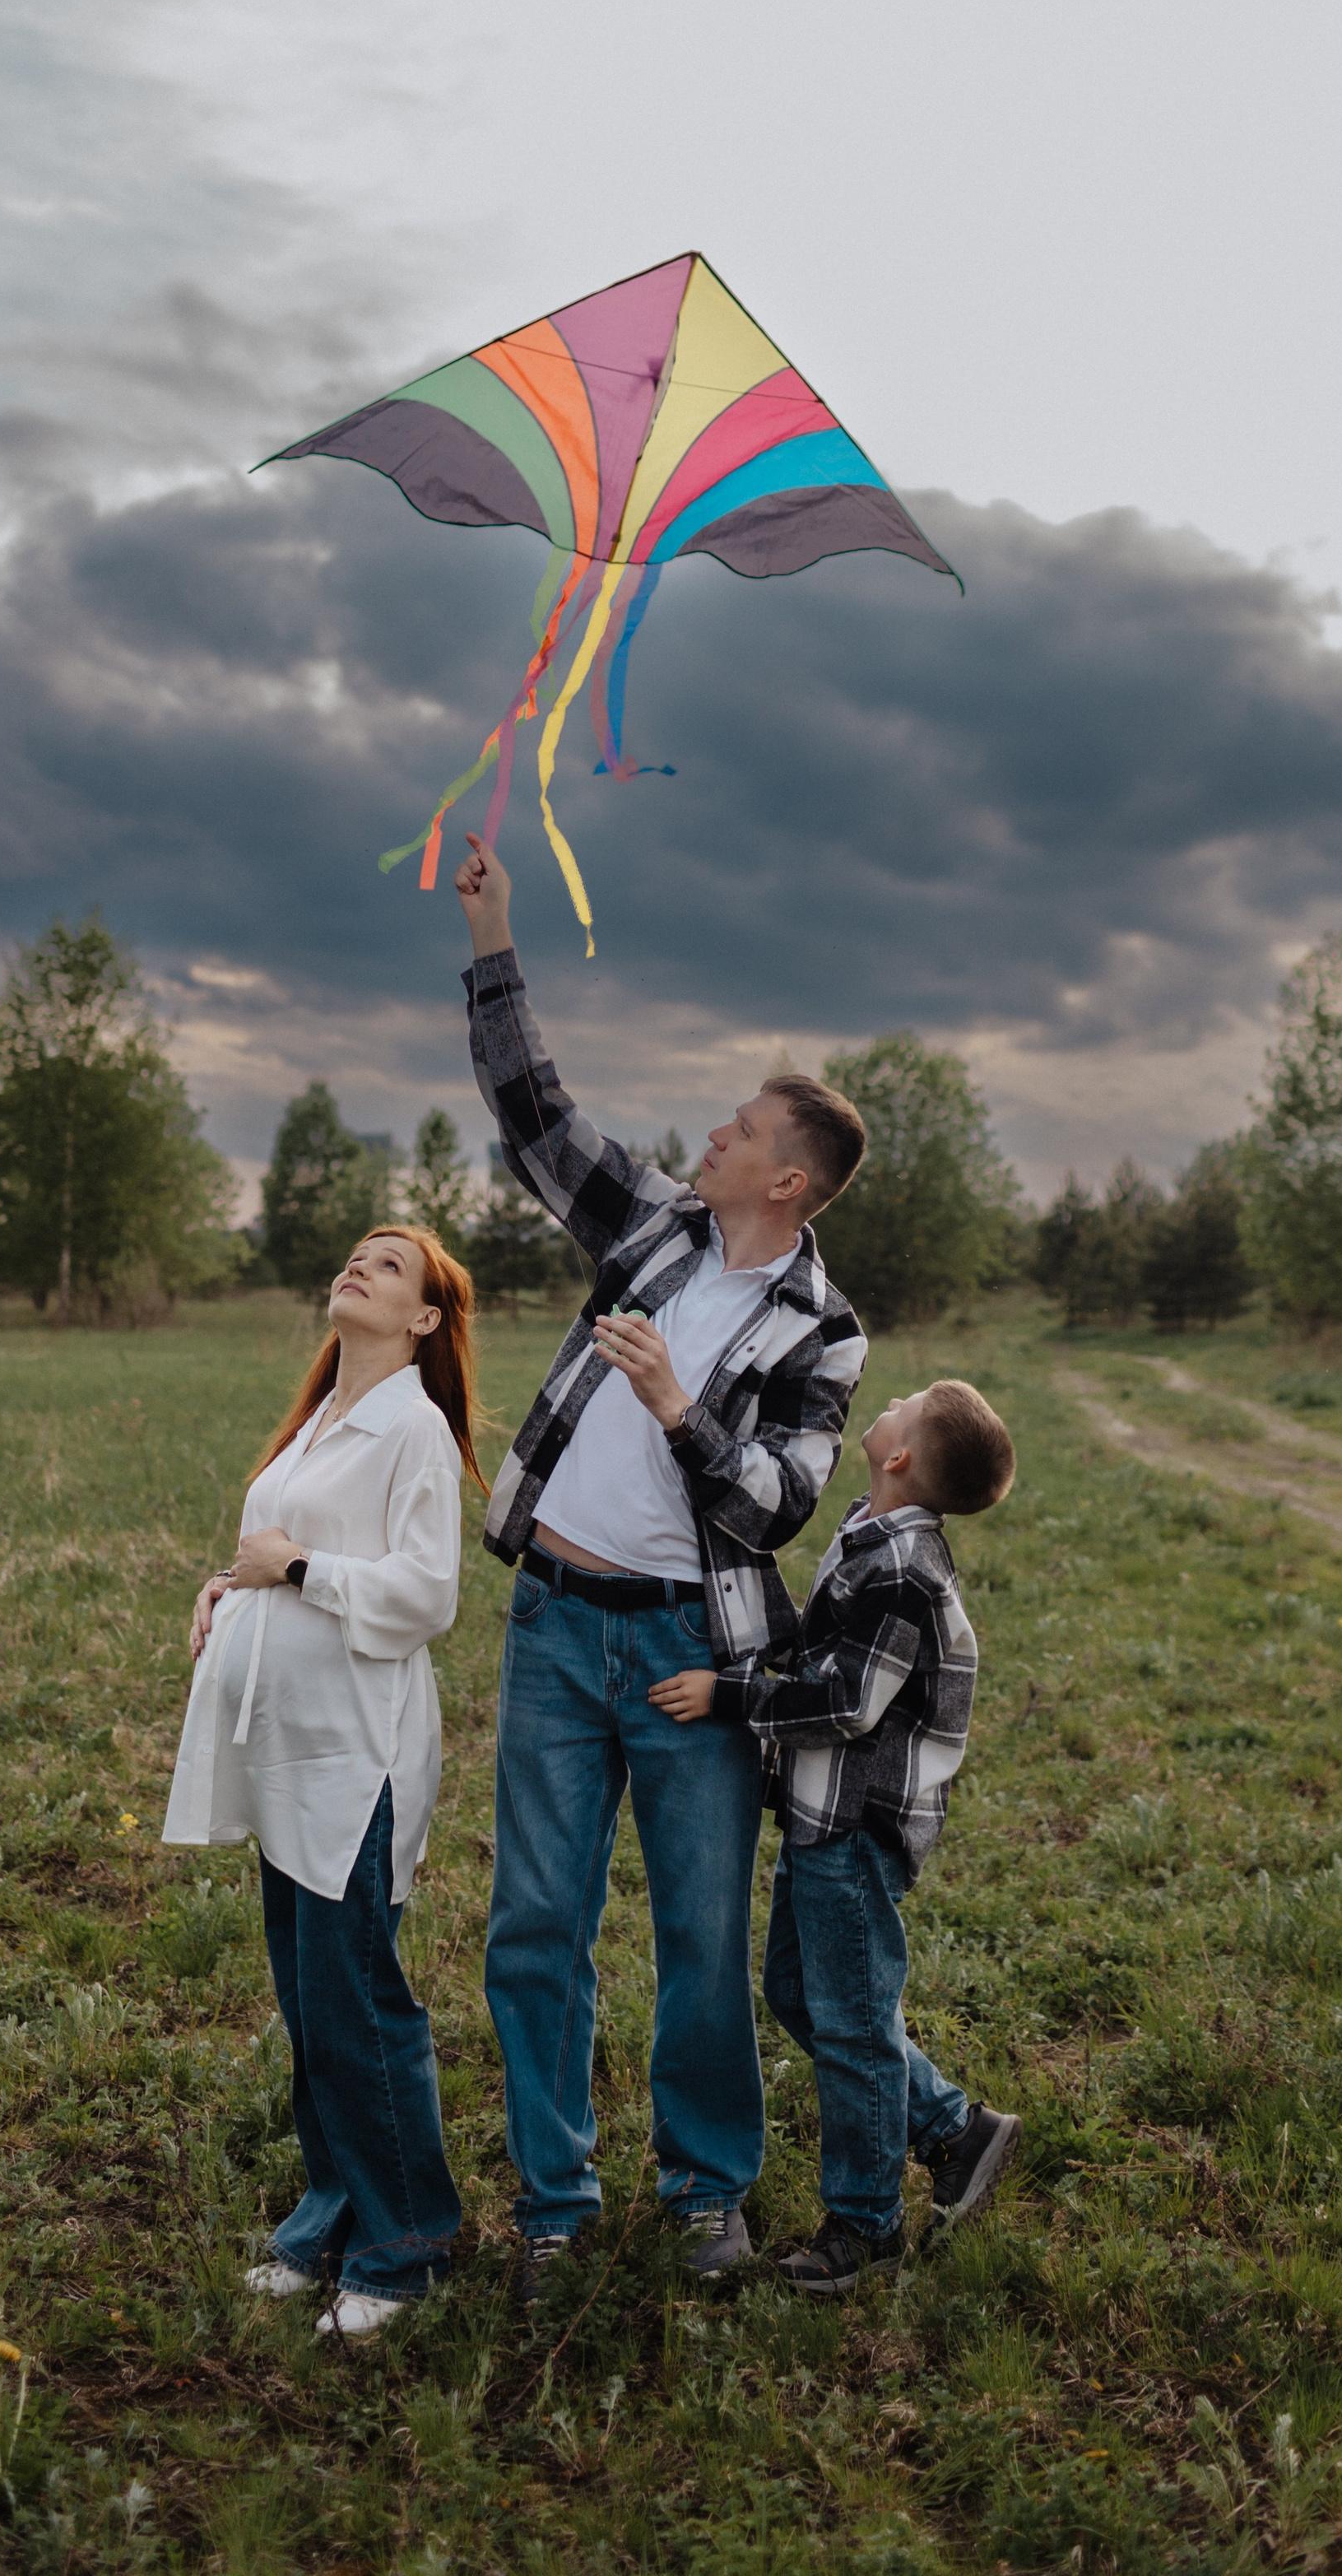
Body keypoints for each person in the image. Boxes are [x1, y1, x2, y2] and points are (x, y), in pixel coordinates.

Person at [454, 830, 870, 2298]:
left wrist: (677, 1410)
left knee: (699, 1938)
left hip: (698, 1664)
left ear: (794, 1176)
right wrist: (494, 942)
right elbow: (534, 1117)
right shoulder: (650, 1231)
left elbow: (774, 1508)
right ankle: (553, 2204)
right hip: (557, 1630)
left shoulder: (827, 1334)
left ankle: (708, 2197)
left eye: (739, 1129)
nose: (711, 1135)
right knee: (536, 1923)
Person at [162, 1226, 482, 2341]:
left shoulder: (417, 1430)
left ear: (427, 1320)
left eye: (390, 1266)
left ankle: (407, 2246)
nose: (360, 1266)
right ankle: (333, 2215)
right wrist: (226, 1586)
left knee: (357, 2002)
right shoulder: (320, 1422)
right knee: (310, 2002)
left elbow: (427, 1593)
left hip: (356, 1753)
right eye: (354, 1254)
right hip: (283, 1750)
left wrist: (292, 1569)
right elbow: (272, 1552)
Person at [649, 1376, 1021, 2295]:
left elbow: (851, 1702)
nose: (887, 1402)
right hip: (824, 1817)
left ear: (897, 1454)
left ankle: (864, 2224)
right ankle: (951, 2129)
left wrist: (729, 1695)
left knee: (853, 2027)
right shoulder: (871, 1530)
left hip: (857, 1825)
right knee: (797, 1991)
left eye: (906, 1402)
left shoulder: (902, 1568)